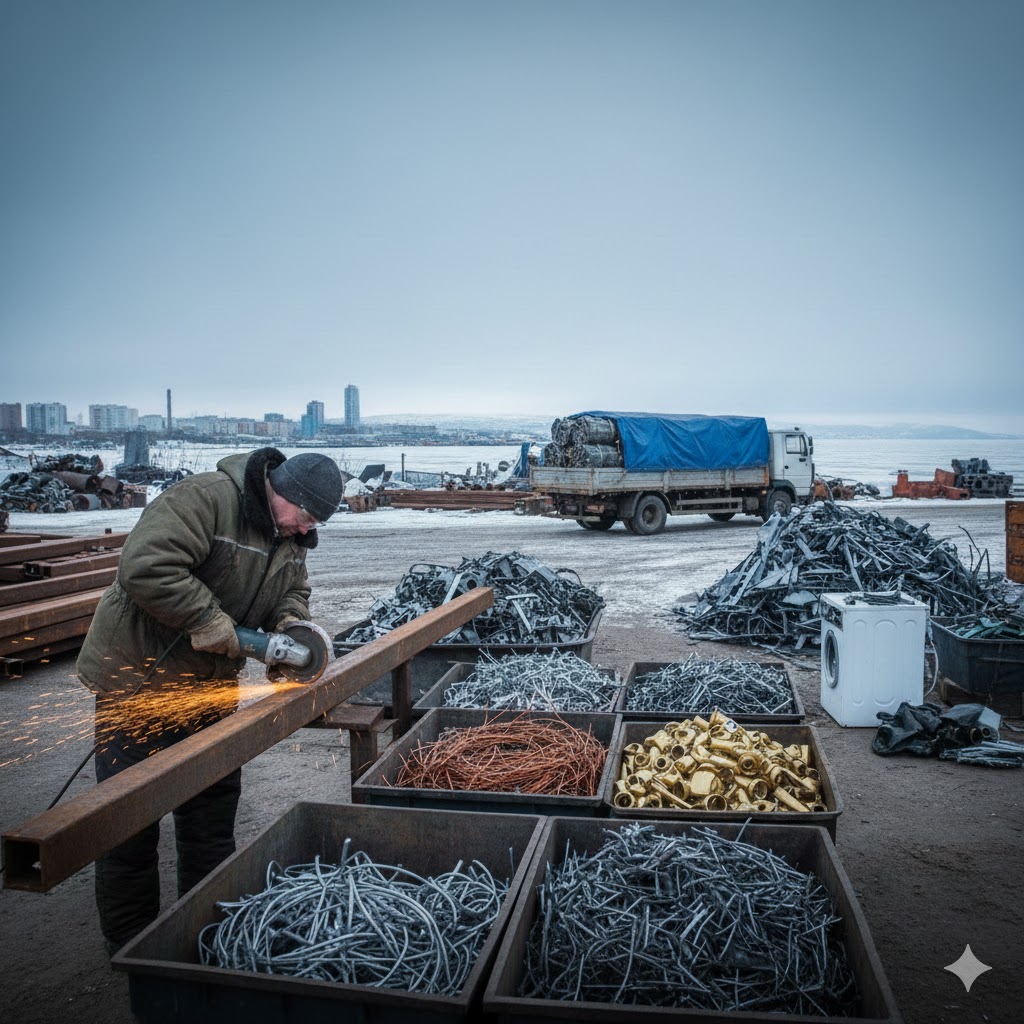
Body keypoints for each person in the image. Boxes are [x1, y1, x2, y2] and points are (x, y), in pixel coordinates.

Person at [75, 447, 343, 954]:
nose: (303, 530)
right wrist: (208, 620)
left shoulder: (289, 533)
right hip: (139, 682)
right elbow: (146, 567)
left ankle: (209, 932)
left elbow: (294, 588)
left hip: (211, 685)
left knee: (211, 815)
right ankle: (136, 950)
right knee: (129, 823)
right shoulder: (205, 500)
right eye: (303, 517)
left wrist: (290, 625)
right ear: (281, 492)